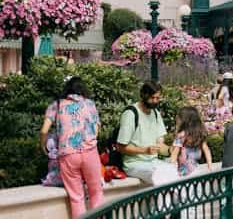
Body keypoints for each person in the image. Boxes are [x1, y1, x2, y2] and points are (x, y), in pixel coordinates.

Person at [39, 76, 104, 218]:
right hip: (89, 153)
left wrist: (43, 145)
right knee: (96, 192)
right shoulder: (90, 104)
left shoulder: (56, 104)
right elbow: (96, 129)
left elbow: (44, 130)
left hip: (68, 155)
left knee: (76, 197)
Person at [116, 79, 172, 185]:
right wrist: (145, 150)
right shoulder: (131, 114)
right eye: (152, 98)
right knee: (159, 176)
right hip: (134, 164)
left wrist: (170, 150)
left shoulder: (156, 113)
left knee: (174, 171)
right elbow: (121, 147)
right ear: (143, 95)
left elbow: (160, 145)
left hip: (153, 162)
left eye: (157, 98)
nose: (155, 101)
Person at [170, 106, 213, 176]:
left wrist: (171, 168)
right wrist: (210, 165)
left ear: (184, 120)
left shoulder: (182, 135)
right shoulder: (199, 134)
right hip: (195, 170)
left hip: (182, 172)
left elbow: (174, 153)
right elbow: (206, 149)